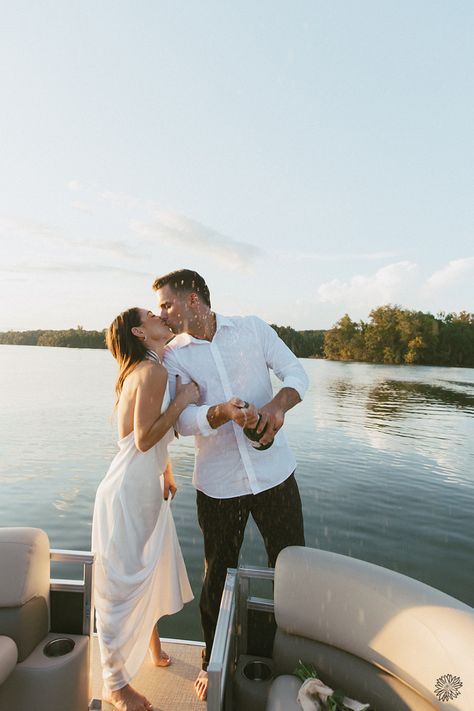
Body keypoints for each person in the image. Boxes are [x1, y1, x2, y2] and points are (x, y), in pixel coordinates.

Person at [153, 269, 309, 701]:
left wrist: (277, 407)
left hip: (275, 474)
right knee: (216, 575)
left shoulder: (253, 329)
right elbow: (181, 423)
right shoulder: (173, 357)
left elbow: (297, 374)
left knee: (292, 568)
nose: (162, 314)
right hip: (218, 485)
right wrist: (220, 413)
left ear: (193, 302)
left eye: (167, 304)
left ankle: (294, 662)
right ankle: (210, 659)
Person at [92, 306, 199, 711]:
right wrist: (185, 398)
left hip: (140, 485)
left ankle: (151, 649)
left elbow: (149, 437)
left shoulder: (140, 371)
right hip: (129, 492)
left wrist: (167, 471)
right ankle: (116, 686)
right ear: (140, 331)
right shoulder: (151, 372)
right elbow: (142, 439)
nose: (160, 316)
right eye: (152, 314)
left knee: (145, 571)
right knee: (122, 586)